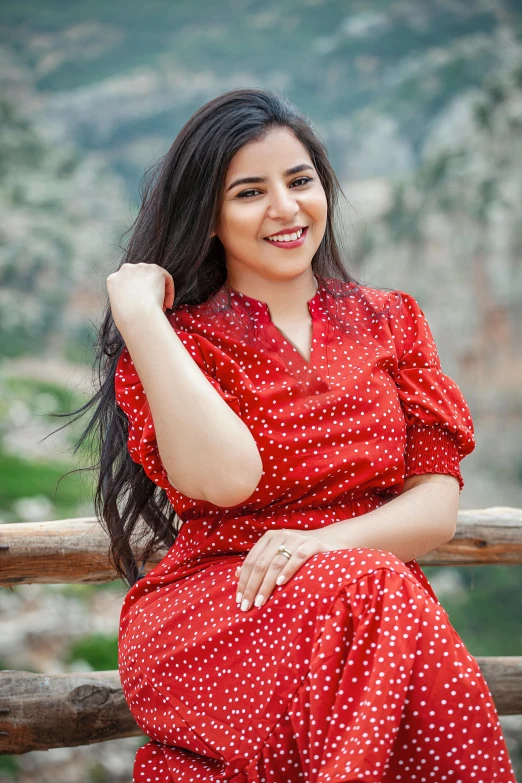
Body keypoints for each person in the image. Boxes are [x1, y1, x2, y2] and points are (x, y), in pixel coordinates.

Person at [102, 89, 516, 781]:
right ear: (208, 216)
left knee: (373, 585)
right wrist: (144, 319)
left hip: (368, 612)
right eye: (249, 192)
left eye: (300, 181)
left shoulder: (392, 322)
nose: (287, 208)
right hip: (228, 606)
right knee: (377, 592)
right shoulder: (182, 345)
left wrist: (319, 546)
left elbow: (436, 506)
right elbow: (226, 479)